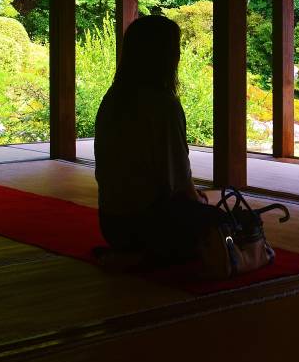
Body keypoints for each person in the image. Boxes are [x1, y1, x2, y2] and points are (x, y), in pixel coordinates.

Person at [94, 15, 234, 278]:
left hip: (112, 224)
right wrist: (198, 202)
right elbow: (178, 177)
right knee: (222, 224)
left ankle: (136, 256)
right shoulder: (162, 104)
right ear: (167, 56)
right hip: (149, 226)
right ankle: (145, 257)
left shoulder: (114, 98)